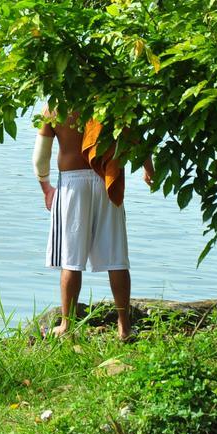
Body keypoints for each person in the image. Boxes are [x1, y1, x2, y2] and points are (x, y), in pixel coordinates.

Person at [34, 108, 153, 341]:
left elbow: (40, 157)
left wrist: (45, 187)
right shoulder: (110, 99)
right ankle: (124, 327)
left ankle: (67, 326)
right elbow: (135, 135)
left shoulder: (55, 105)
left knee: (70, 258)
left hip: (72, 184)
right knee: (116, 257)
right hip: (107, 178)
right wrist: (148, 166)